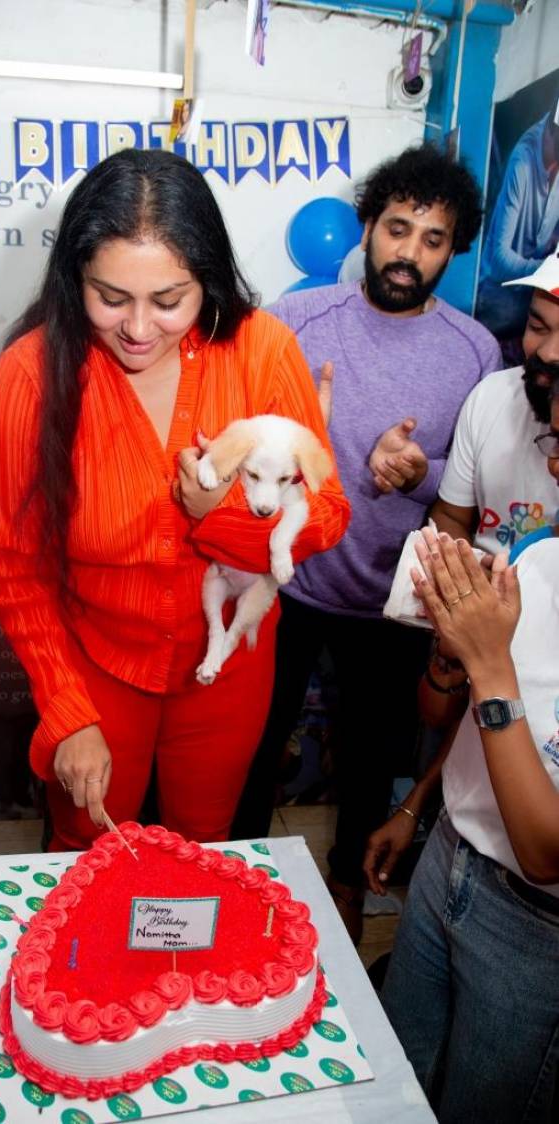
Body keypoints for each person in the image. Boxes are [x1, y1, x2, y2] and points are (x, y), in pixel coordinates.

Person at [0, 148, 349, 853]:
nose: (139, 328)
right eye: (110, 297)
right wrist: (64, 708)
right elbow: (15, 572)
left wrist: (225, 519)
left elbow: (328, 516)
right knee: (88, 854)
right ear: (73, 277)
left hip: (229, 664)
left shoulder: (260, 349)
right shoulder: (31, 373)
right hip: (96, 669)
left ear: (206, 279)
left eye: (169, 300)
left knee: (203, 850)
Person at [231, 143, 502, 943]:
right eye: (398, 228)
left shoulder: (476, 351)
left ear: (453, 250)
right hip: (284, 584)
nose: (410, 252)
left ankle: (349, 888)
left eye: (432, 239)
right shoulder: (293, 321)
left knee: (371, 761)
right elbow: (242, 430)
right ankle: (237, 880)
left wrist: (420, 472)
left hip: (392, 599)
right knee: (252, 745)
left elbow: (475, 472)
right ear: (366, 230)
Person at [365, 250, 559, 907]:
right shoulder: (494, 403)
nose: (547, 352)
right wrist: (421, 805)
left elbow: (544, 854)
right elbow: (461, 708)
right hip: (461, 816)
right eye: (538, 326)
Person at [376, 476, 559, 1121]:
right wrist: (419, 805)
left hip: (535, 932)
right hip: (446, 864)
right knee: (397, 1084)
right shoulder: (536, 557)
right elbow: (444, 717)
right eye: (555, 444)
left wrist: (488, 666)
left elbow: (545, 852)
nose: (558, 469)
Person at [432, 248, 559, 555]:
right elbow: (449, 515)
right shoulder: (491, 395)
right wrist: (472, 582)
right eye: (537, 328)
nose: (547, 352)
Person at [477, 101, 559, 339]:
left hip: (532, 299)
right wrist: (547, 270)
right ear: (549, 134)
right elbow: (499, 260)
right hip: (496, 301)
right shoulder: (522, 162)